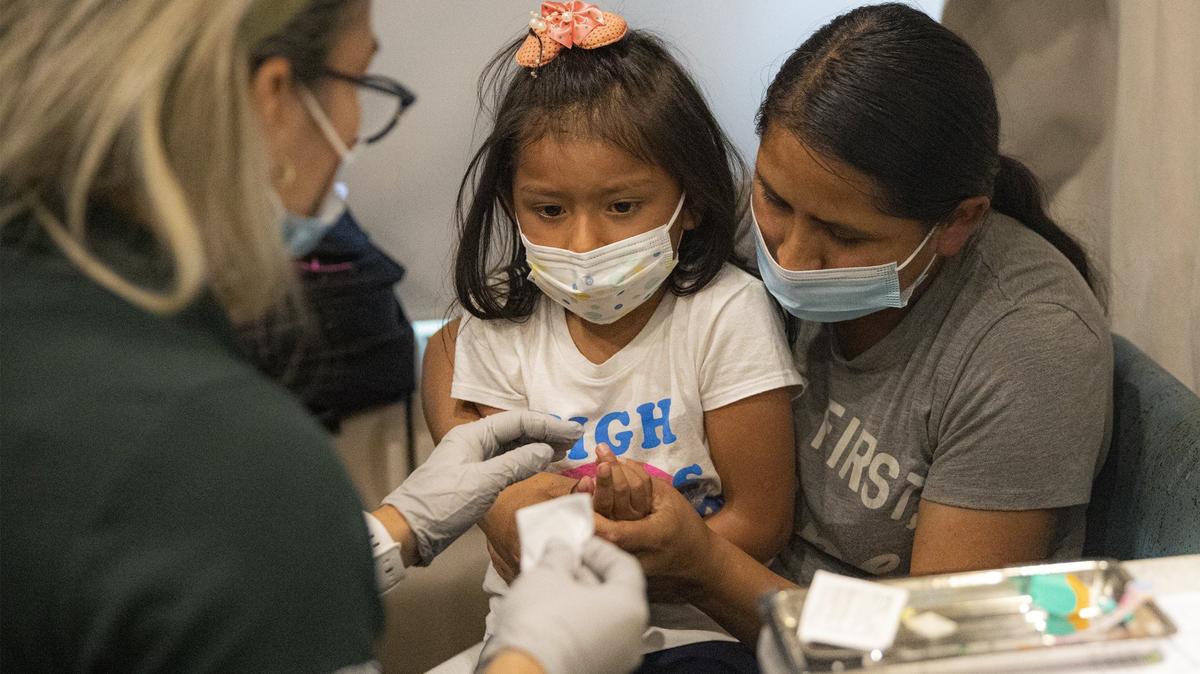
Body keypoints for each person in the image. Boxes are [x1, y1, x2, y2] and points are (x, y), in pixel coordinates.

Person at [0, 2, 647, 673]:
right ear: (274, 98)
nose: (353, 125)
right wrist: (534, 661)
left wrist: (396, 529)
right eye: (359, 81)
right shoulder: (220, 449)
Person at [512, 0, 1113, 649]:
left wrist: (705, 566)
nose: (791, 257)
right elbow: (489, 329)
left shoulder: (1027, 343)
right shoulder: (746, 231)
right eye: (773, 198)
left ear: (958, 222)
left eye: (844, 235)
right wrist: (487, 489)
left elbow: (935, 644)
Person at [420, 4, 802, 668]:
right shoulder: (496, 332)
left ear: (692, 201)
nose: (585, 242)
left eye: (623, 207)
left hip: (692, 636)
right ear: (511, 204)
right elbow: (509, 518)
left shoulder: (726, 314)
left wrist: (649, 551)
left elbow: (762, 519)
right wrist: (518, 517)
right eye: (549, 209)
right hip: (533, 638)